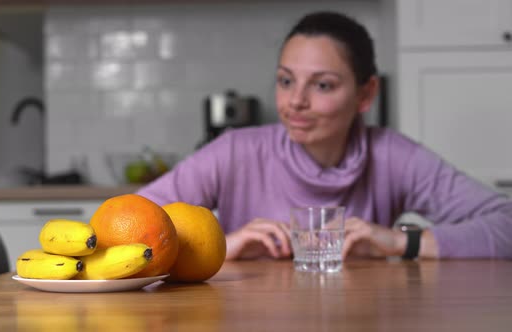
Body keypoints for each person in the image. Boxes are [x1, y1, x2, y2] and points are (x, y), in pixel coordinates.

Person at [137, 11, 512, 261]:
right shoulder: (234, 153)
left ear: (365, 94)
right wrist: (222, 247)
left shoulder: (393, 156)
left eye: (323, 85)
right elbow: (128, 226)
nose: (295, 101)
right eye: (286, 81)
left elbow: (505, 222)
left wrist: (401, 242)